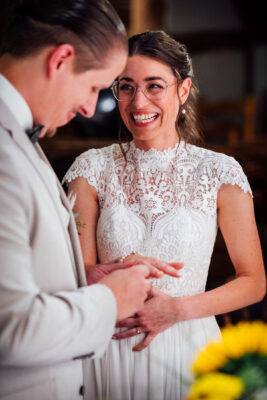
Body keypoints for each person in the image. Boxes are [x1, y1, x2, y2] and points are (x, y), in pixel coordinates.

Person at [64, 31, 266, 400]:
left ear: (183, 90)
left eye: (154, 85)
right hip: (107, 348)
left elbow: (253, 282)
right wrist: (122, 267)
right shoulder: (90, 169)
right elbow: (74, 275)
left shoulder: (220, 172)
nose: (138, 101)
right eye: (126, 87)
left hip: (187, 342)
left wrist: (175, 310)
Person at [0, 3, 182, 400]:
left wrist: (83, 281)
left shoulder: (16, 134)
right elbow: (8, 329)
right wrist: (108, 301)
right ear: (61, 60)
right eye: (95, 86)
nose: (88, 107)